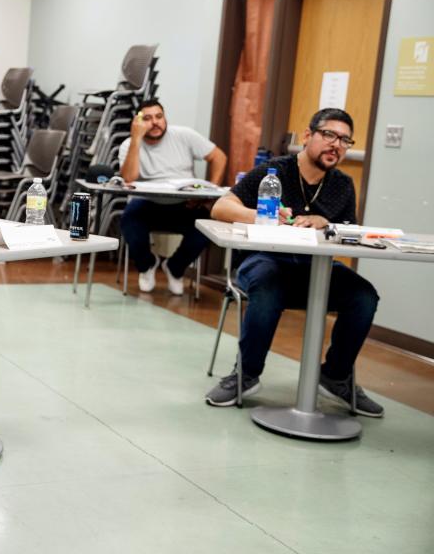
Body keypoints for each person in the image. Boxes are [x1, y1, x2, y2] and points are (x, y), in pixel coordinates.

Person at [205, 108, 384, 416]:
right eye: (329, 135)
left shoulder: (342, 185)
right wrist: (266, 217)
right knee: (268, 285)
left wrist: (324, 223)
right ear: (307, 136)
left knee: (363, 295)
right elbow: (221, 207)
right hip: (265, 260)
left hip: (316, 268)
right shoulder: (274, 172)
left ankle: (336, 376)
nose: (336, 145)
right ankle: (246, 374)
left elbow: (348, 234)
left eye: (344, 140)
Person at [118, 100, 228, 295]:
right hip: (147, 203)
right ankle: (147, 265)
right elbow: (128, 178)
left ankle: (175, 267)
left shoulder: (183, 135)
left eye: (159, 117)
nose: (155, 122)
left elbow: (219, 157)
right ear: (138, 122)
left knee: (208, 226)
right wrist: (136, 139)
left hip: (184, 203)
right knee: (128, 220)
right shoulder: (129, 144)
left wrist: (210, 190)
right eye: (148, 118)